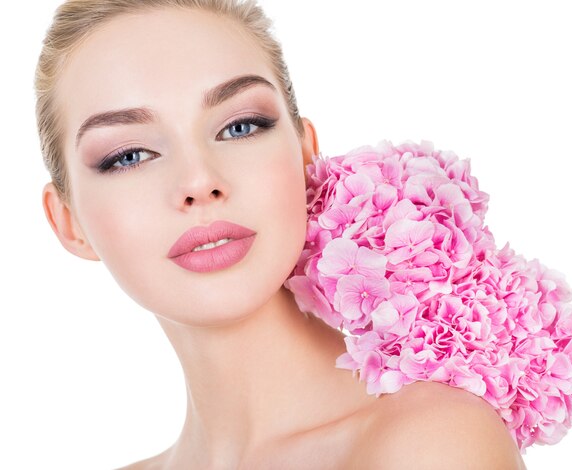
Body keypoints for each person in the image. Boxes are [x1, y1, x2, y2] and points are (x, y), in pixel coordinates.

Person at [36, 0, 526, 468]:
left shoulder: (430, 445)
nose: (199, 182)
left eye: (240, 127)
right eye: (128, 155)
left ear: (306, 153)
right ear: (68, 223)